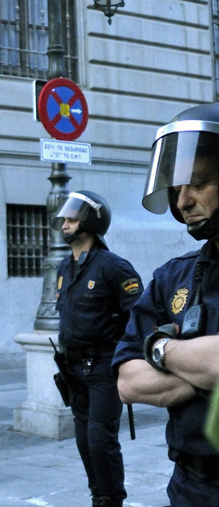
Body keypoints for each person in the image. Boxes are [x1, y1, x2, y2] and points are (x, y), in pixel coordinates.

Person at [114, 103, 219, 507]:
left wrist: (160, 348)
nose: (184, 200)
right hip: (189, 485)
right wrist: (201, 375)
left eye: (199, 184)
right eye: (176, 189)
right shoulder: (173, 276)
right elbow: (128, 381)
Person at [53, 191, 143, 507]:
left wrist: (128, 359)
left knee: (100, 439)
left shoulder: (114, 267)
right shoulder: (63, 268)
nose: (65, 224)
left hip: (104, 365)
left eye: (72, 219)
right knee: (83, 439)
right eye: (64, 219)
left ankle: (110, 498)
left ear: (91, 222)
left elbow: (139, 317)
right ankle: (98, 494)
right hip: (73, 367)